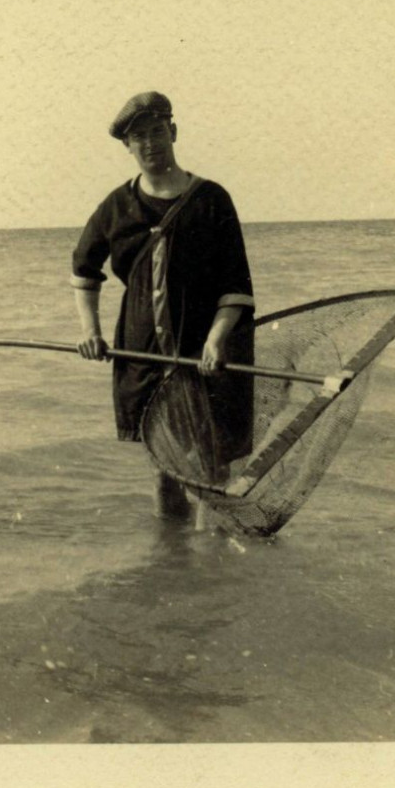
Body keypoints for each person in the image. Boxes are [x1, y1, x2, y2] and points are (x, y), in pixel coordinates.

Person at [70, 91, 255, 520]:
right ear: (128, 147)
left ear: (173, 132)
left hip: (204, 354)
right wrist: (90, 333)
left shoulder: (211, 200)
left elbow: (236, 284)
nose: (150, 143)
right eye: (139, 137)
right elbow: (83, 271)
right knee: (164, 468)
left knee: (214, 467)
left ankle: (216, 566)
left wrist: (217, 339)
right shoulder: (117, 207)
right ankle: (172, 567)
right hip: (144, 357)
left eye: (157, 131)